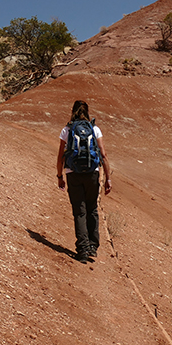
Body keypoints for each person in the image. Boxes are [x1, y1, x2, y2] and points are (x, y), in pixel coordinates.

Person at [56, 100, 111, 263]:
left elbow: (60, 156)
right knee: (92, 208)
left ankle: (83, 249)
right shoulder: (95, 129)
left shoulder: (67, 130)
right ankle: (93, 246)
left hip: (73, 174)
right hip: (92, 173)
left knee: (79, 211)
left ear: (72, 111)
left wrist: (59, 176)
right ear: (87, 112)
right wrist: (108, 178)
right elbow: (103, 154)